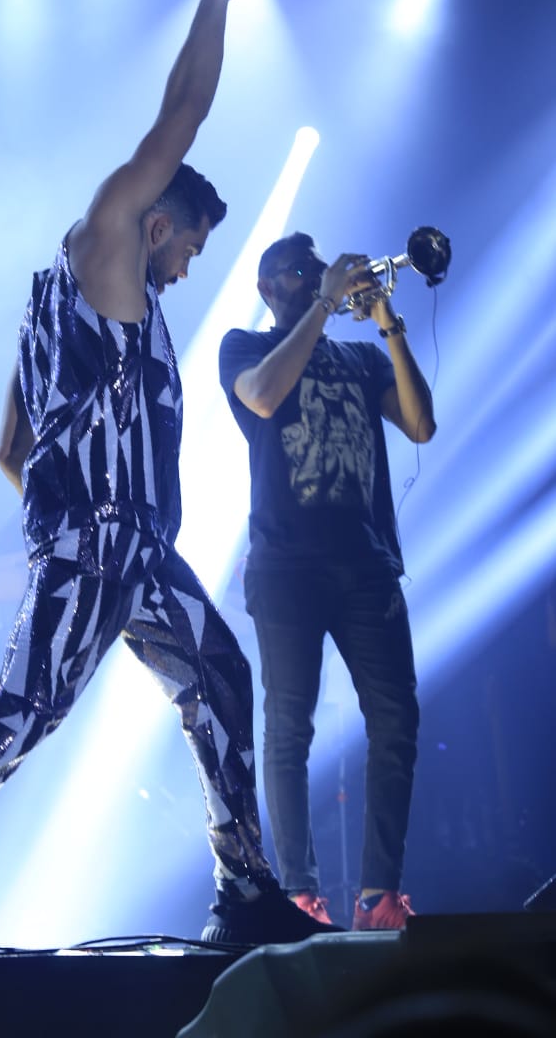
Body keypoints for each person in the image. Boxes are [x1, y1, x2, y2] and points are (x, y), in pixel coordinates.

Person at [0, 0, 333, 954]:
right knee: (22, 711)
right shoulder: (106, 249)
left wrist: (63, 515)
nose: (189, 267)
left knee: (218, 677)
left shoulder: (69, 310)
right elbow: (181, 114)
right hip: (100, 544)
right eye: (191, 246)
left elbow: (10, 446)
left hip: (130, 549)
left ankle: (243, 888)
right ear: (156, 224)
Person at [218, 232, 436, 931]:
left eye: (319, 269)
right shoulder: (244, 347)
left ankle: (378, 895)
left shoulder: (361, 358)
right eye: (300, 271)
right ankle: (300, 893)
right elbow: (261, 399)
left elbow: (421, 425)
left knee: (396, 718)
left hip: (366, 562)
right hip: (285, 566)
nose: (316, 278)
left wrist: (385, 320)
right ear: (267, 288)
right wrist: (323, 303)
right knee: (288, 728)